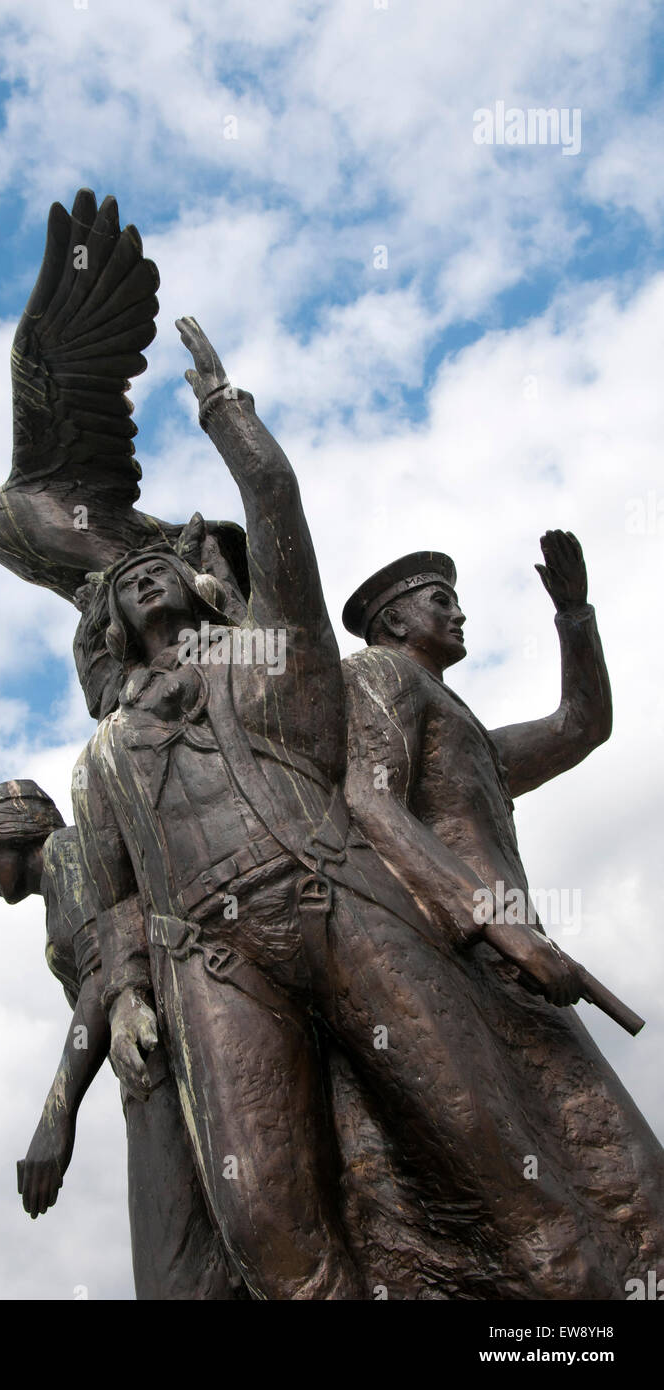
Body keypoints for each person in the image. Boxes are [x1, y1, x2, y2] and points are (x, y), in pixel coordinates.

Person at [73, 319, 618, 1301]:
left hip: (335, 899)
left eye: (154, 567)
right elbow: (115, 900)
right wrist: (121, 999)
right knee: (266, 1230)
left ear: (202, 594)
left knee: (489, 1156)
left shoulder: (268, 657)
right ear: (109, 627)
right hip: (209, 957)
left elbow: (275, 507)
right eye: (122, 584)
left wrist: (224, 413)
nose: (140, 576)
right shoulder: (101, 755)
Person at [342, 536, 664, 1289]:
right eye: (438, 600)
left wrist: (574, 619)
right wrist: (503, 926)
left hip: (514, 960)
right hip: (461, 953)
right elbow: (369, 797)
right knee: (565, 1189)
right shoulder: (377, 674)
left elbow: (579, 727)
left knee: (626, 1183)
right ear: (391, 622)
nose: (458, 613)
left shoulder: (467, 733)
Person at [0, 779, 244, 1299]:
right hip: (152, 1075)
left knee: (173, 1268)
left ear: (13, 833)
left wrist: (54, 1121)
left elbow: (101, 977)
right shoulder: (59, 883)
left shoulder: (68, 852)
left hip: (167, 1059)